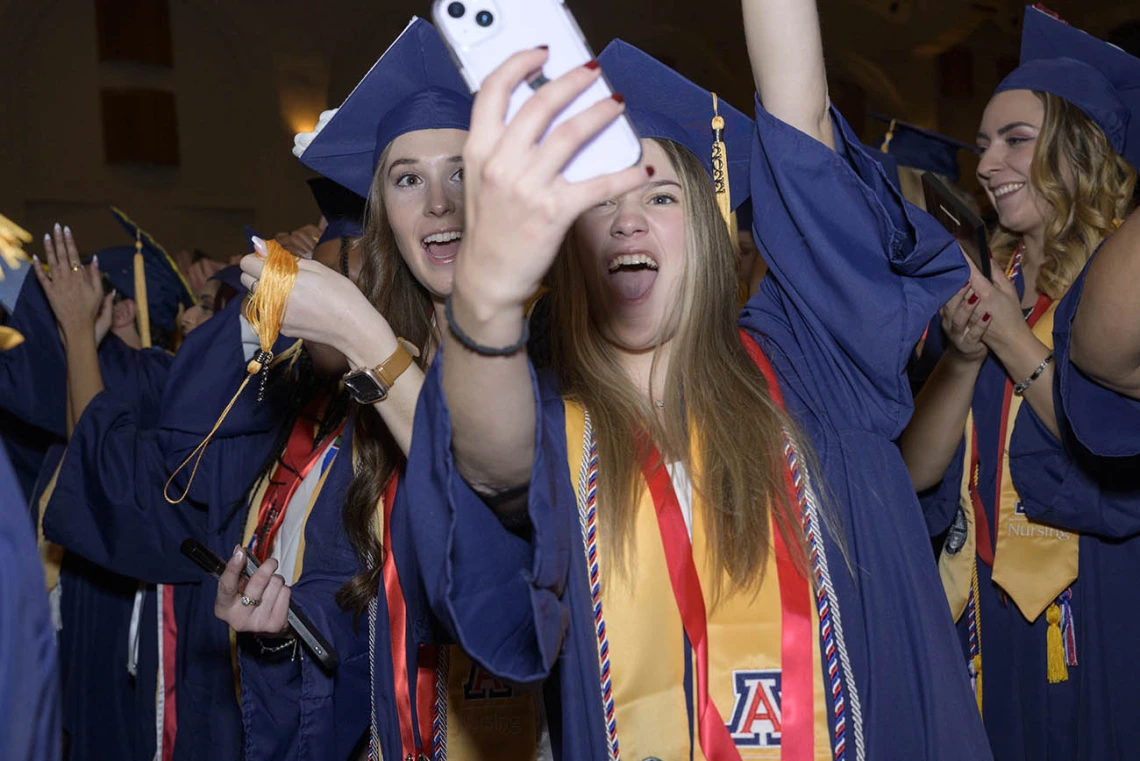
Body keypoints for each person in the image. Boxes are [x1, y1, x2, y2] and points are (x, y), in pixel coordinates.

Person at [401, 0, 989, 757]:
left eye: (660, 196)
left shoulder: (806, 363)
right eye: (599, 205)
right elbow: (490, 472)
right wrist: (485, 300)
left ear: (710, 229)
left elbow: (800, 119)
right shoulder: (552, 427)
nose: (627, 221)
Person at [222, 18, 549, 761]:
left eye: (462, 170)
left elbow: (509, 550)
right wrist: (277, 633)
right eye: (408, 178)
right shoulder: (363, 403)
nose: (439, 203)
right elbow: (355, 634)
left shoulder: (563, 367)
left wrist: (361, 334)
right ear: (385, 216)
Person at [899, 7, 1140, 759]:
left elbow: (1103, 445)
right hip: (990, 612)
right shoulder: (990, 283)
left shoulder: (1117, 299)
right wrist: (968, 353)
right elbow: (919, 471)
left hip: (1100, 602)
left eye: (1015, 140)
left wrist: (1008, 333)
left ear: (1079, 152)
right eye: (982, 146)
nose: (987, 165)